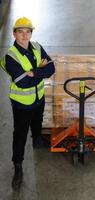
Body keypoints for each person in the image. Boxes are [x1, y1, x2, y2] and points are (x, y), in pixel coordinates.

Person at [0, 17, 55, 190]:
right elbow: (22, 82)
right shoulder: (11, 56)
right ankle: (18, 166)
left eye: (28, 31)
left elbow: (51, 68)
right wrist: (40, 70)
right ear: (14, 33)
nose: (25, 35)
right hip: (22, 103)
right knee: (20, 134)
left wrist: (33, 72)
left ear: (31, 33)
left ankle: (38, 140)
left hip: (39, 97)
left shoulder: (37, 46)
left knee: (38, 122)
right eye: (20, 31)